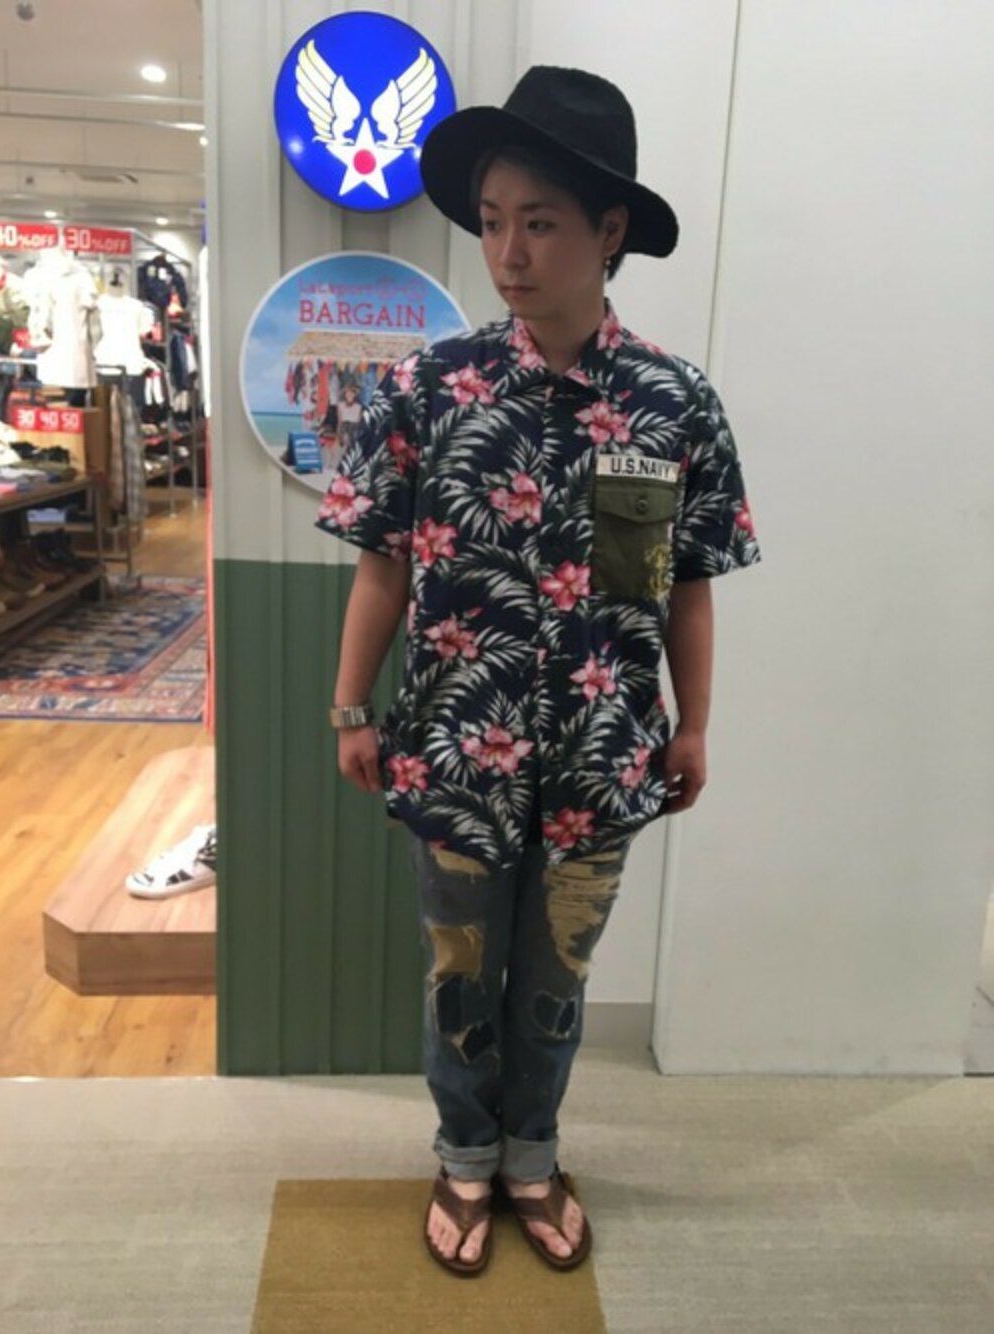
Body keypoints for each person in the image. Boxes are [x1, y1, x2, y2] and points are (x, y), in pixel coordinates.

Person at [315, 65, 761, 1277]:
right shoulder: (431, 387)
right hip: (454, 747)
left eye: (542, 222)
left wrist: (693, 725)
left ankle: (531, 1154)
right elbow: (382, 566)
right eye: (493, 220)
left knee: (556, 979)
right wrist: (351, 707)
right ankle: (464, 1153)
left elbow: (685, 582)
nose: (509, 252)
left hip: (602, 754)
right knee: (462, 971)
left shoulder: (674, 403)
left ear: (609, 232)